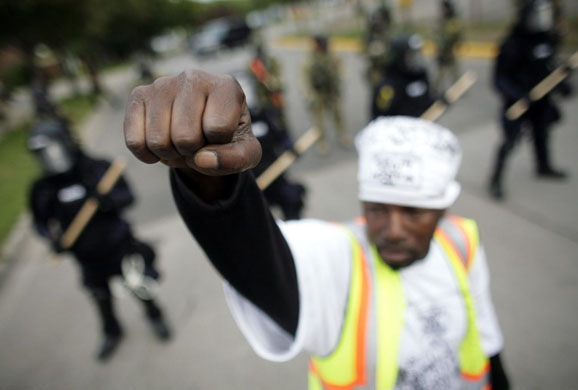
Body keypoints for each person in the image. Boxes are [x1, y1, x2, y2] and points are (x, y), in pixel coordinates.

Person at [123, 69, 511, 389]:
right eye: (377, 209)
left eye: (414, 213)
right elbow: (257, 261)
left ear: (442, 208)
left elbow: (486, 338)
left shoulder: (460, 242)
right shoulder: (338, 259)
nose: (392, 230)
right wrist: (210, 181)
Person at [28, 119, 171, 361]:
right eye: (42, 153)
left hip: (119, 246)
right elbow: (40, 223)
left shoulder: (98, 169)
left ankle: (156, 316)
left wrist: (109, 201)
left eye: (51, 149)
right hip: (87, 257)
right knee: (100, 297)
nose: (49, 157)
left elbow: (128, 196)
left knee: (139, 286)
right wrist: (54, 238)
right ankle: (111, 332)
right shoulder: (42, 188)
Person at [488, 0, 572, 200]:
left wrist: (563, 82)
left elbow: (549, 67)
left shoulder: (547, 39)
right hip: (519, 102)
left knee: (542, 134)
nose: (542, 20)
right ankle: (495, 180)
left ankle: (544, 167)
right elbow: (499, 79)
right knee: (510, 141)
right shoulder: (512, 44)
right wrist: (517, 95)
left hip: (541, 100)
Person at [303, 34, 351, 155]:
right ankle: (322, 142)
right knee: (319, 121)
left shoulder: (332, 56)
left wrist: (340, 82)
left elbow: (341, 70)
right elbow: (304, 78)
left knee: (338, 115)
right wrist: (309, 95)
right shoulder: (310, 60)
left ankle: (343, 136)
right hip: (318, 93)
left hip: (332, 91)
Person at [370, 33, 436, 120]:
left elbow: (425, 102)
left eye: (416, 54)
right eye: (411, 55)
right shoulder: (388, 86)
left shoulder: (420, 76)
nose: (415, 59)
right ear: (399, 57)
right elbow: (380, 117)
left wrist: (438, 101)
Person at [434, 0, 464, 93]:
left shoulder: (452, 22)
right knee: (441, 72)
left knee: (453, 71)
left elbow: (457, 36)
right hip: (442, 51)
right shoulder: (443, 21)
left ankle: (458, 88)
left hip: (449, 52)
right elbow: (438, 35)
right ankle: (435, 90)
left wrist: (457, 45)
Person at [364, 3, 393, 87]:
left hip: (387, 70)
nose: (377, 22)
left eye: (379, 19)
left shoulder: (387, 34)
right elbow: (367, 53)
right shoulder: (370, 36)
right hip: (376, 70)